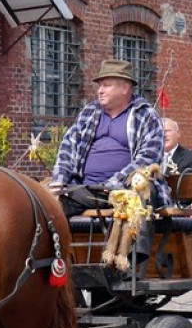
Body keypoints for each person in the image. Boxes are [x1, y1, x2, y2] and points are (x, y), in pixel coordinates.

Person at [49, 59, 164, 213]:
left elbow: (148, 159)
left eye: (106, 85)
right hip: (85, 190)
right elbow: (68, 148)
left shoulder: (146, 115)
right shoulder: (89, 112)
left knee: (142, 195)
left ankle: (138, 238)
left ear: (124, 88)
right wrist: (59, 181)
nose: (100, 91)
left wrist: (112, 184)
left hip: (127, 190)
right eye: (100, 86)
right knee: (44, 208)